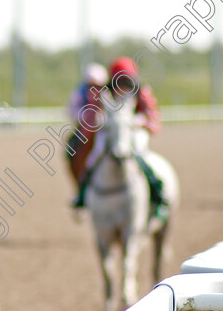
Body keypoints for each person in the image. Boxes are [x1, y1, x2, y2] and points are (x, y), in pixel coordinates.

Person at [71, 57, 166, 218]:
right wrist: (98, 123)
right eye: (118, 81)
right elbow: (91, 116)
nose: (122, 86)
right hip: (110, 132)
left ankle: (158, 195)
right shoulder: (104, 93)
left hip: (134, 133)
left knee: (141, 156)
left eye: (125, 80)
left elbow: (153, 118)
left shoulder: (142, 92)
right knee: (93, 158)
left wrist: (141, 123)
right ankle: (82, 195)